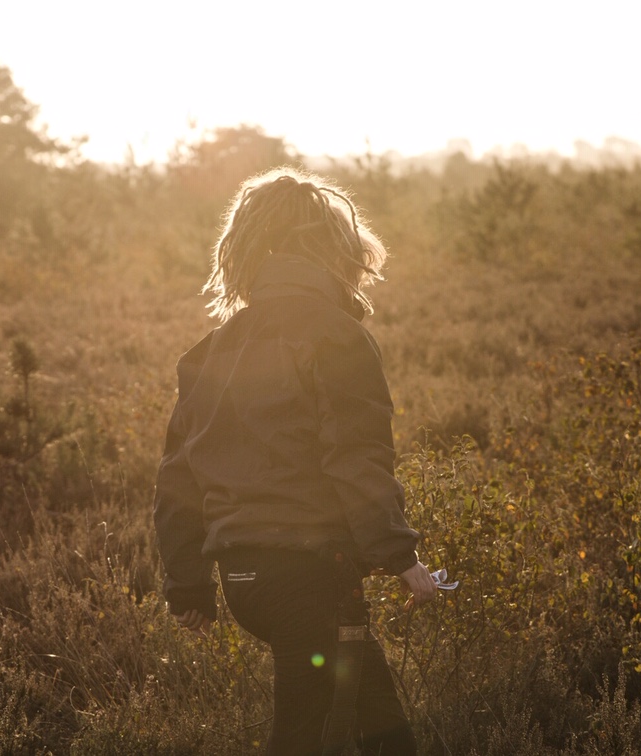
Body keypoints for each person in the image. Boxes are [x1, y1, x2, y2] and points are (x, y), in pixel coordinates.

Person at [153, 167, 436, 755]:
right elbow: (355, 457)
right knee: (307, 737)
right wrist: (399, 555)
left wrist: (188, 584)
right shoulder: (335, 336)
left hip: (246, 583)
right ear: (331, 250)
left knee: (382, 729)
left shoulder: (209, 351)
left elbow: (177, 478)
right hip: (308, 577)